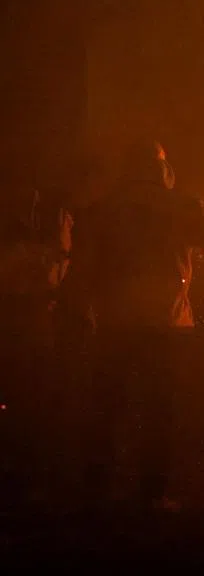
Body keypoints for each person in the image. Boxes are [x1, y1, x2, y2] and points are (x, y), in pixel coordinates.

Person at [72, 140, 204, 513]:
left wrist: (81, 311)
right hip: (166, 324)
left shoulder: (102, 210)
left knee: (106, 408)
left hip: (114, 322)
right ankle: (151, 494)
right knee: (159, 410)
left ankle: (94, 490)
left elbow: (82, 268)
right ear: (160, 169)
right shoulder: (179, 206)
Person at [0, 184, 71, 511]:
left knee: (33, 397)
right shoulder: (36, 225)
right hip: (18, 319)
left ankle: (27, 477)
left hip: (37, 319)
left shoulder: (56, 219)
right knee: (21, 394)